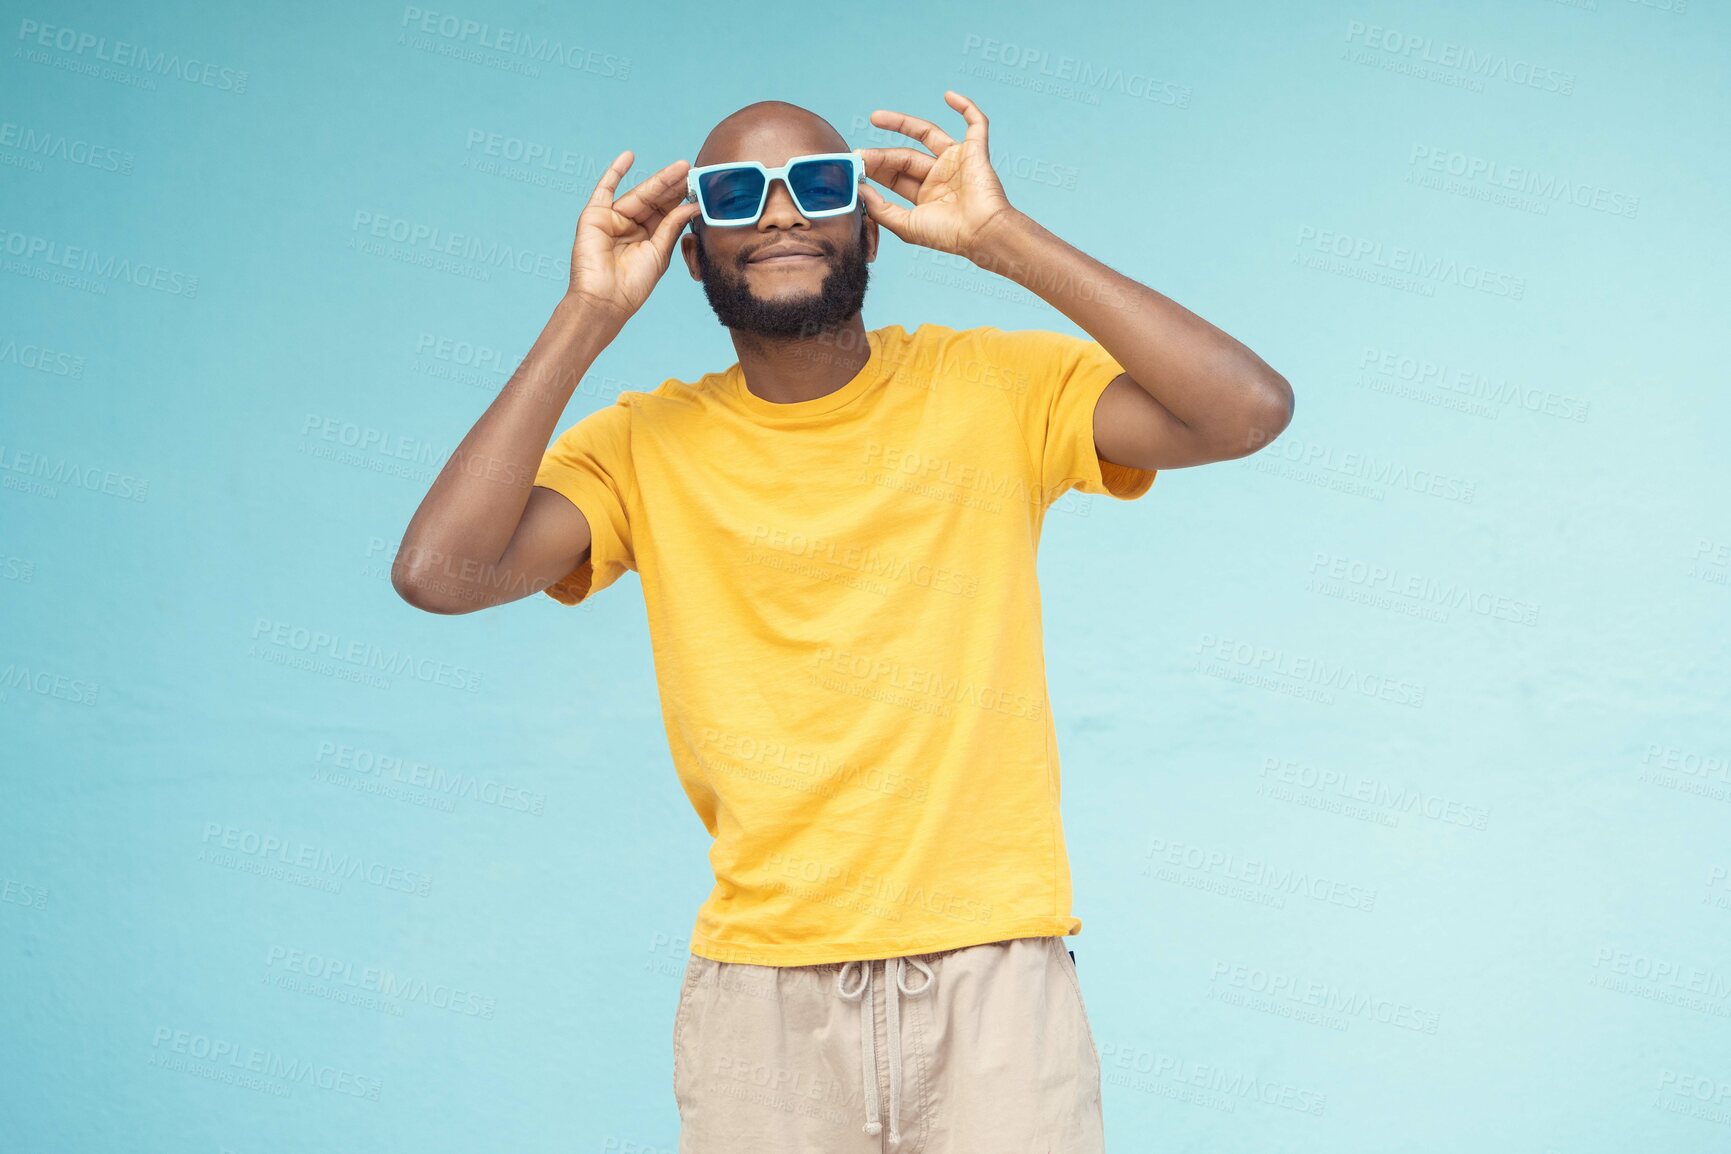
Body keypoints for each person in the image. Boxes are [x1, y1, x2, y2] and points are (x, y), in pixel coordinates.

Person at [393, 90, 1293, 1152]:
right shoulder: (643, 444)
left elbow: (1246, 410)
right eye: (736, 195)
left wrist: (1004, 238)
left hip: (993, 975)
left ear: (870, 223)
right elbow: (440, 573)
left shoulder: (994, 385)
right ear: (691, 251)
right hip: (761, 998)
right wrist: (588, 311)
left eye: (819, 185)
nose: (781, 214)